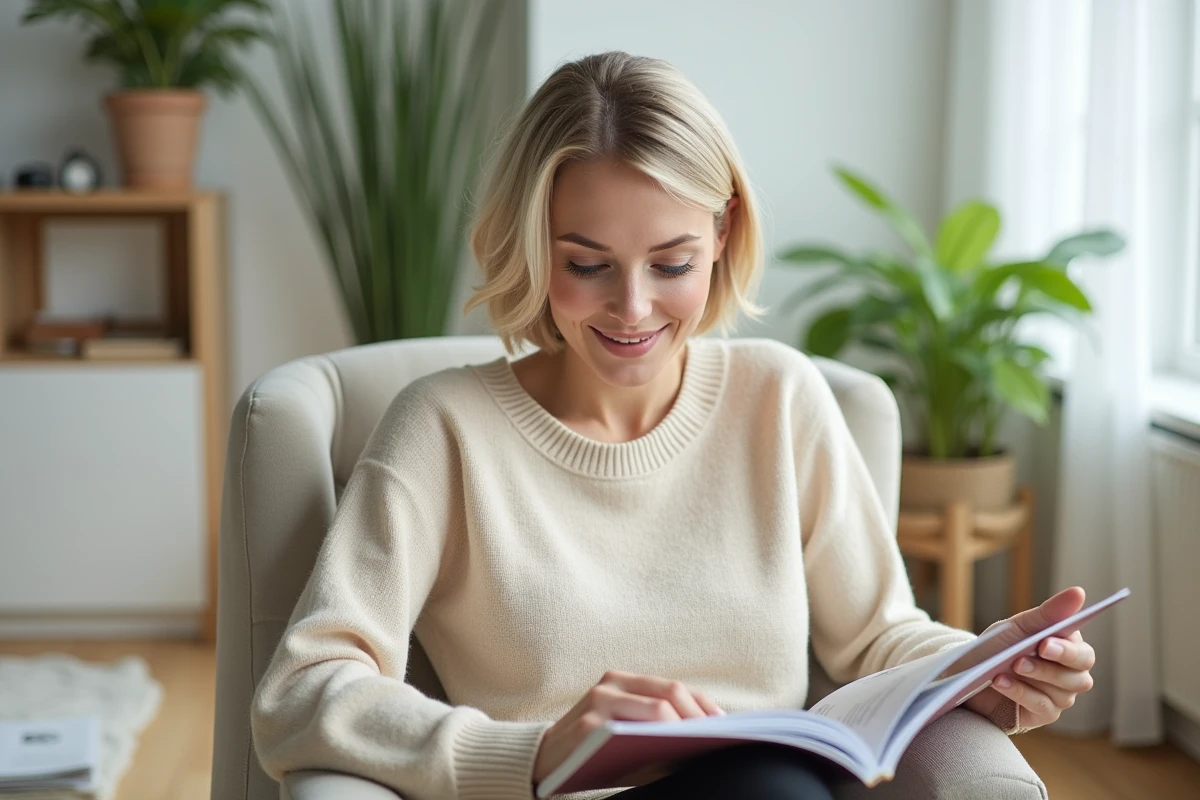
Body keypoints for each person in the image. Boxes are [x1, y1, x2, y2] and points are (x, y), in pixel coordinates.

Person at [250, 51, 1096, 800]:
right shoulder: (444, 430)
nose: (632, 308)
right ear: (533, 246)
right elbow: (302, 692)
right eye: (586, 264)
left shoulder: (779, 398)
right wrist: (534, 753)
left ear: (722, 233)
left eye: (672, 263)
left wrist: (984, 670)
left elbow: (880, 635)